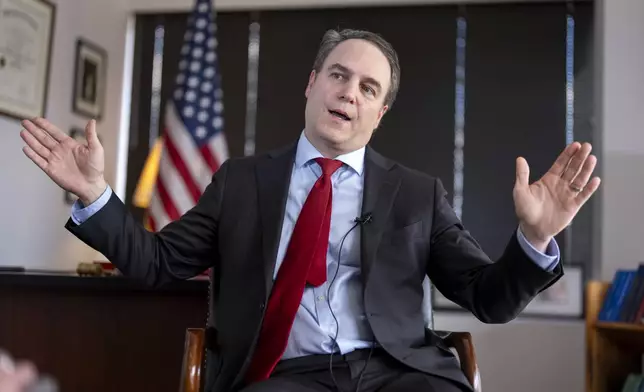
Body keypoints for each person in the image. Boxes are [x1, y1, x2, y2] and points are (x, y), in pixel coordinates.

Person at [18, 29, 600, 392]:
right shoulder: (242, 181)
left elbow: (488, 299)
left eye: (369, 89)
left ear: (380, 113)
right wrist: (94, 192)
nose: (350, 92)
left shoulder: (418, 193)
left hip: (399, 374)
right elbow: (156, 261)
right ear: (312, 84)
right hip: (282, 375)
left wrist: (533, 237)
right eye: (339, 76)